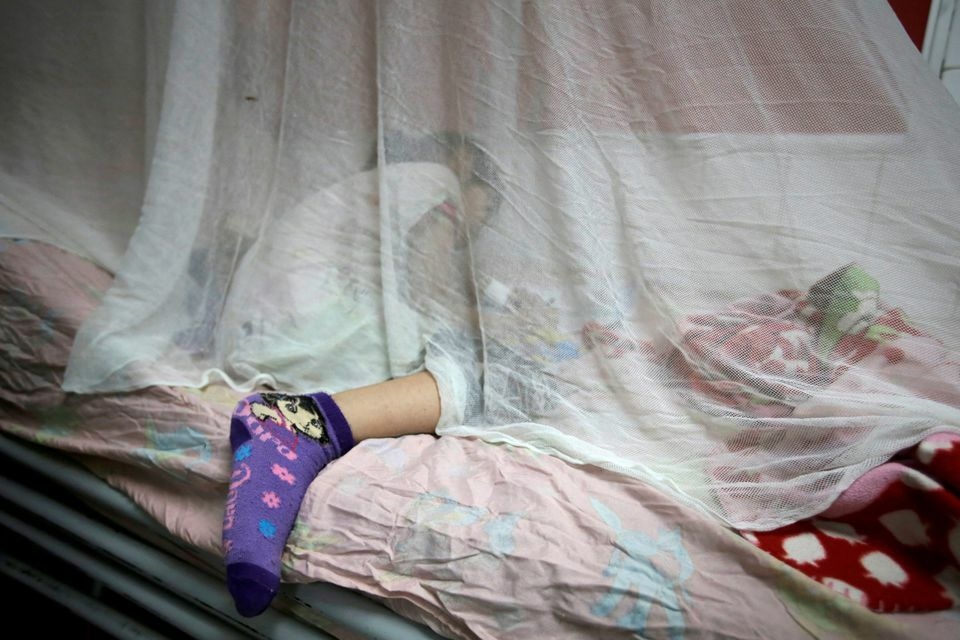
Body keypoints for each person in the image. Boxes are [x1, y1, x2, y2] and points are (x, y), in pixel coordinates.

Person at [221, 133, 506, 617]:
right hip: (317, 326)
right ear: (462, 168)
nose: (468, 227)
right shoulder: (437, 181)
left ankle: (302, 425)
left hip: (265, 327)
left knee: (467, 353)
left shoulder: (370, 190)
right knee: (487, 373)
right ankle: (302, 423)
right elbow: (427, 282)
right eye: (473, 214)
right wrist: (494, 331)